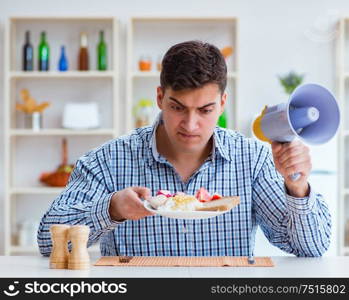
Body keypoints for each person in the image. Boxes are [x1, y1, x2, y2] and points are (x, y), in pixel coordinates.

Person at [38, 40, 331, 257]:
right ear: (160, 97)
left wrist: (298, 187)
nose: (191, 125)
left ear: (223, 104)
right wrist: (111, 209)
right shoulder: (108, 160)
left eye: (205, 110)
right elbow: (46, 242)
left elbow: (312, 248)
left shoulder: (252, 159)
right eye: (178, 108)